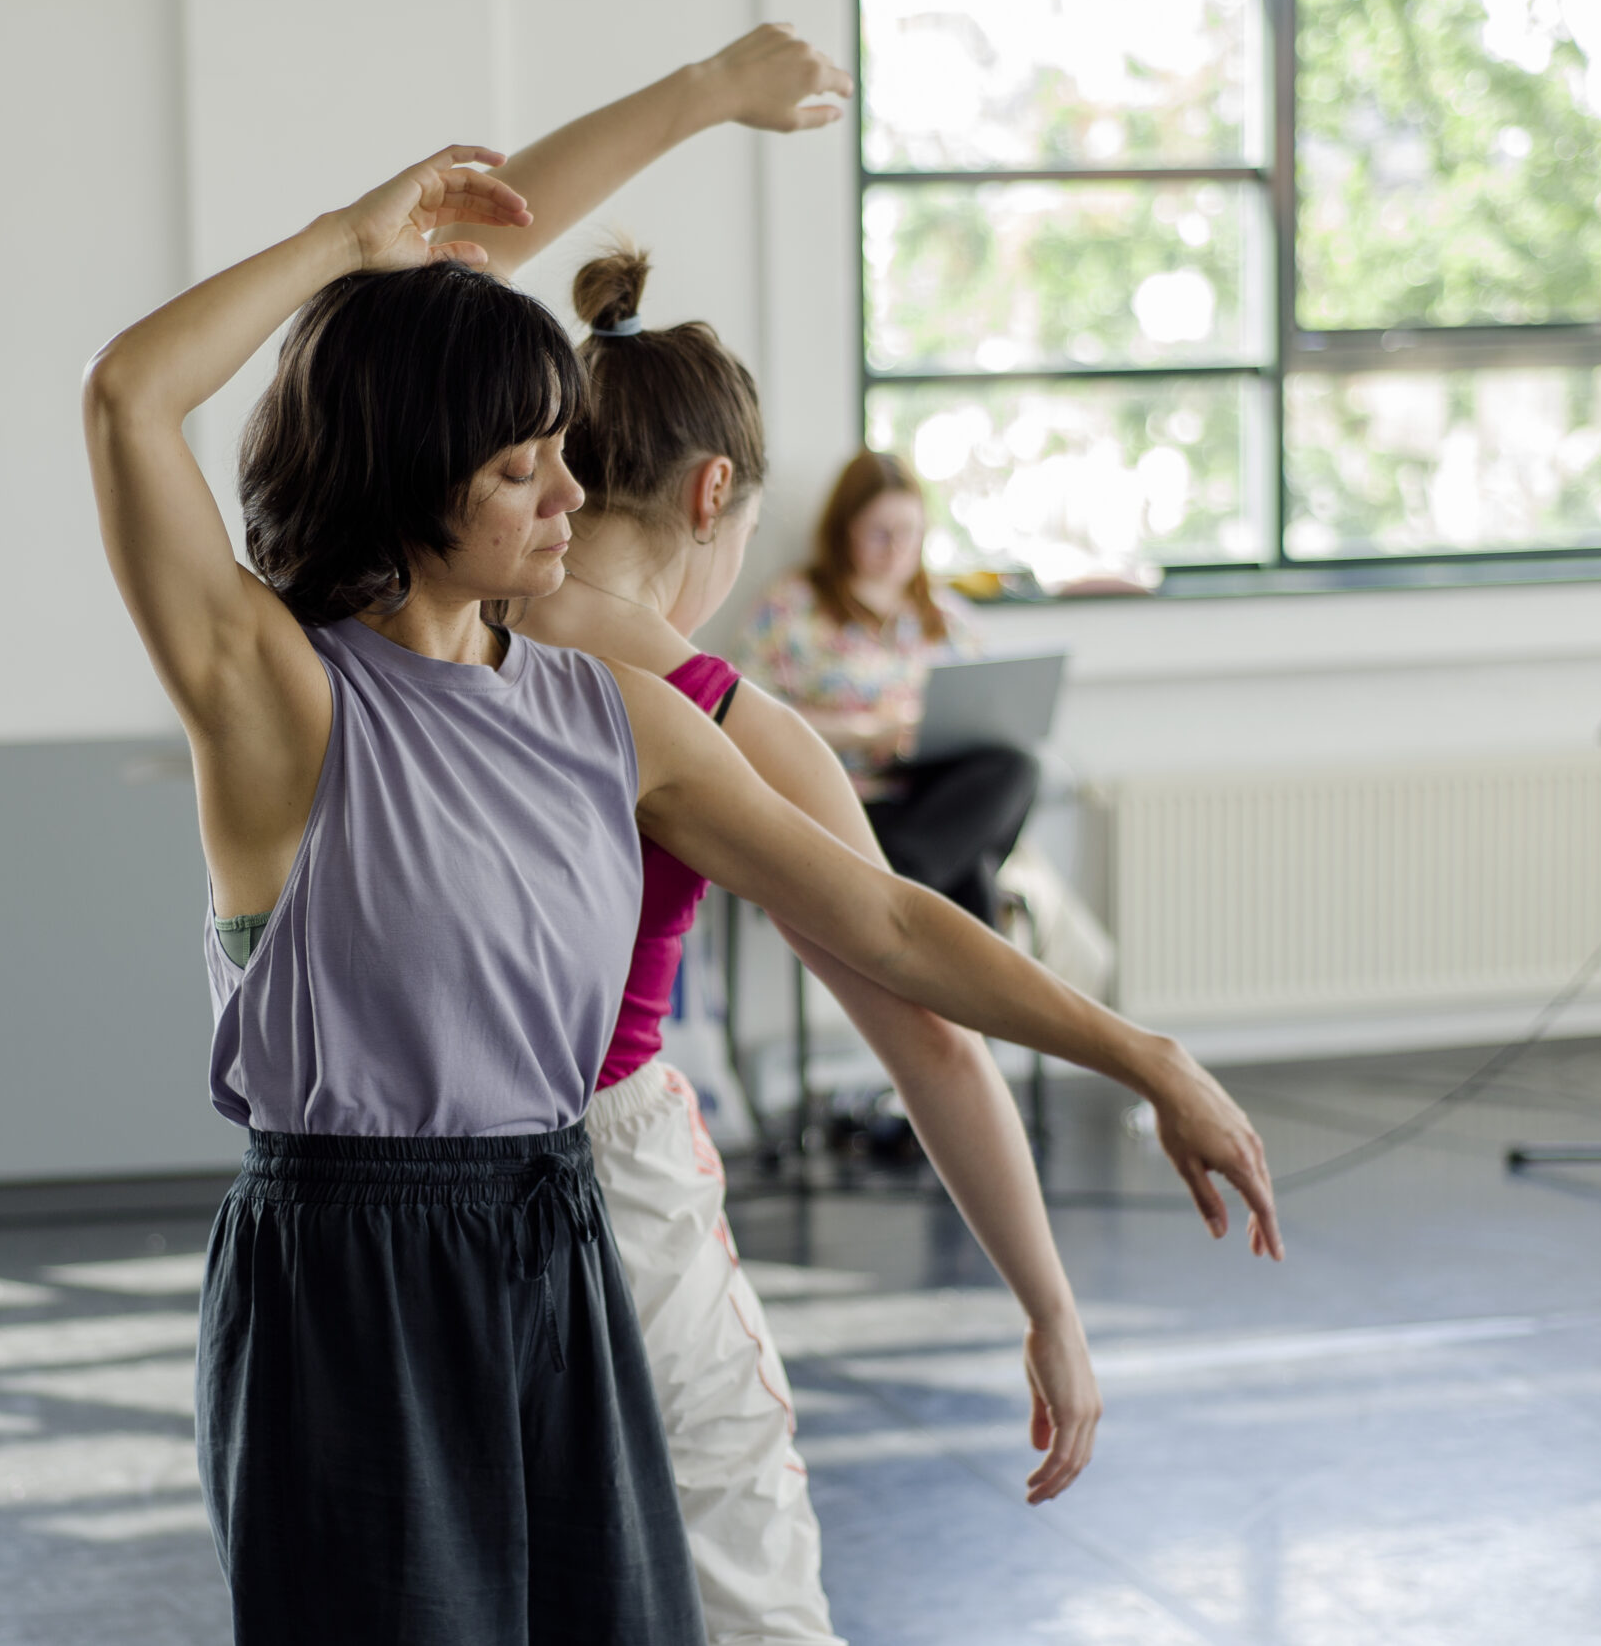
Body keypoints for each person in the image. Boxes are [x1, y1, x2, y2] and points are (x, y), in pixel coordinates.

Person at [87, 135, 1270, 1646]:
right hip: (353, 1277)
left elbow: (889, 920)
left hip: (565, 1237)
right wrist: (342, 238)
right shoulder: (280, 704)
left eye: (563, 454)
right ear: (411, 482)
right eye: (522, 469)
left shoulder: (618, 718)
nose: (570, 496)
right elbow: (129, 396)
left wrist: (1142, 1053)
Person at [429, 86, 1281, 1640]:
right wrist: (1049, 1301)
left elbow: (434, 252)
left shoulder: (437, 623)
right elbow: (927, 1022)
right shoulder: (711, 716)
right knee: (742, 1590)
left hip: (405, 1194)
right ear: (712, 498)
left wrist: (697, 93)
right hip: (606, 1175)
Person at [744, 451, 1037, 929]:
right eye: (881, 533)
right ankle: (913, 894)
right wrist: (864, 731)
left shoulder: (944, 618)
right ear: (845, 530)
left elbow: (985, 709)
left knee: (1018, 767)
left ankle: (897, 885)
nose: (897, 548)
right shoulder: (791, 609)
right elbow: (745, 716)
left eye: (911, 533)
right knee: (973, 877)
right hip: (845, 801)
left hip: (929, 794)